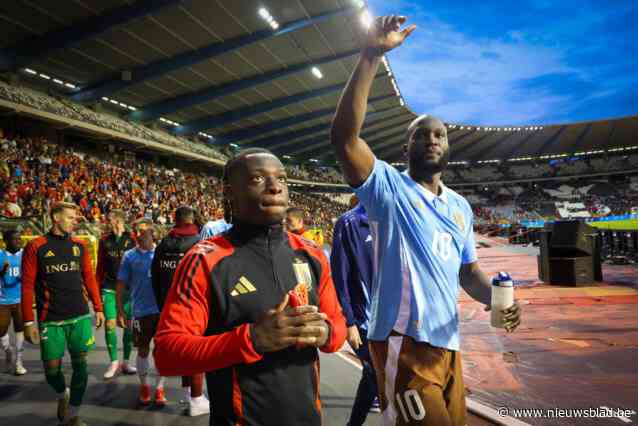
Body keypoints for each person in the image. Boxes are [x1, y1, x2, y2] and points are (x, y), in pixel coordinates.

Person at [330, 15, 522, 426]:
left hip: (448, 346)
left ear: (449, 146)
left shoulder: (459, 207)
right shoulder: (388, 190)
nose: (432, 139)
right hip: (403, 342)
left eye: (440, 135)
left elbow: (469, 274)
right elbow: (345, 139)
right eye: (422, 134)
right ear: (407, 146)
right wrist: (371, 55)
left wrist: (500, 301)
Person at [153, 148, 347, 426]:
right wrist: (251, 339)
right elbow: (168, 355)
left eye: (281, 178)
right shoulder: (204, 261)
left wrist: (326, 331)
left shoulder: (312, 255)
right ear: (230, 192)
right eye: (258, 179)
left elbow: (337, 326)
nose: (275, 187)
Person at [21, 202, 104, 426]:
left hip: (79, 315)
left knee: (81, 366)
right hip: (51, 319)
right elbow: (27, 286)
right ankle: (62, 395)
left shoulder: (79, 245)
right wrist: (28, 321)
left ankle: (73, 414)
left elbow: (89, 277)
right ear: (56, 218)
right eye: (70, 217)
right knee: (51, 371)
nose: (74, 221)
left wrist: (98, 308)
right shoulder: (36, 246)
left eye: (75, 217)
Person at [151, 206, 210, 416]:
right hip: (192, 305)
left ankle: (188, 394)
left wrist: (161, 304)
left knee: (182, 350)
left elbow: (155, 275)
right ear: (193, 219)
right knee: (195, 352)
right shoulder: (198, 244)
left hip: (167, 305)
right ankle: (195, 398)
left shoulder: (163, 243)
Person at [330, 196, 380, 425]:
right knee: (376, 372)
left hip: (390, 317)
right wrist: (349, 322)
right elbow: (340, 276)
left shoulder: (393, 220)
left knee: (374, 373)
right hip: (362, 318)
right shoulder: (349, 223)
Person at [116, 219, 167, 407]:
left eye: (143, 231)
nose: (138, 234)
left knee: (162, 352)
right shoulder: (129, 256)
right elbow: (120, 284)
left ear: (152, 233)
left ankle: (160, 388)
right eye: (136, 231)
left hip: (162, 312)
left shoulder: (162, 253)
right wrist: (121, 310)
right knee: (143, 350)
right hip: (140, 312)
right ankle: (145, 386)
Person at [96, 209, 137, 379]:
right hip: (109, 288)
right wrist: (96, 293)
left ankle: (126, 361)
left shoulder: (131, 239)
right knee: (110, 324)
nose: (110, 224)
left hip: (128, 289)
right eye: (108, 222)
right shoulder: (104, 241)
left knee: (127, 326)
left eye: (112, 221)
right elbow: (100, 268)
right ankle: (114, 362)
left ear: (120, 222)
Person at [0, 228, 26, 375]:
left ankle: (19, 361)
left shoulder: (24, 255)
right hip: (3, 299)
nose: (18, 241)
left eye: (19, 239)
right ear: (6, 241)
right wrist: (2, 272)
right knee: (1, 330)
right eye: (15, 239)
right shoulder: (0, 255)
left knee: (19, 329)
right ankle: (8, 350)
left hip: (21, 299)